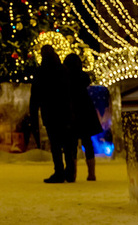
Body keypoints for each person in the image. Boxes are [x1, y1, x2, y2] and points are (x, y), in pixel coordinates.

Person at [29, 44, 72, 183]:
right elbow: (69, 92)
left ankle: (59, 171)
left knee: (55, 144)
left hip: (50, 112)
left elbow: (35, 96)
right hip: (64, 111)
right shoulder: (63, 70)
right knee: (66, 142)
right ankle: (70, 171)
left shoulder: (41, 72)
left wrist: (34, 114)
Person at [63, 53, 103, 182]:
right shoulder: (83, 77)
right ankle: (91, 173)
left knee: (72, 144)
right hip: (86, 112)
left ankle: (72, 173)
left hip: (72, 112)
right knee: (88, 143)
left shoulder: (66, 78)